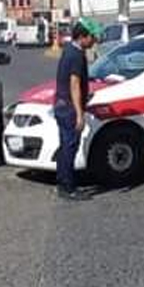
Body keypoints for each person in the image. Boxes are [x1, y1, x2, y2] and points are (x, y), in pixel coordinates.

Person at [54, 17, 103, 201]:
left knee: (65, 145)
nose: (94, 41)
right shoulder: (76, 55)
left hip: (61, 104)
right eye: (92, 37)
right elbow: (74, 84)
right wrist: (79, 114)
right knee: (69, 146)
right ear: (82, 36)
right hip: (69, 108)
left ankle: (62, 182)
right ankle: (67, 187)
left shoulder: (69, 50)